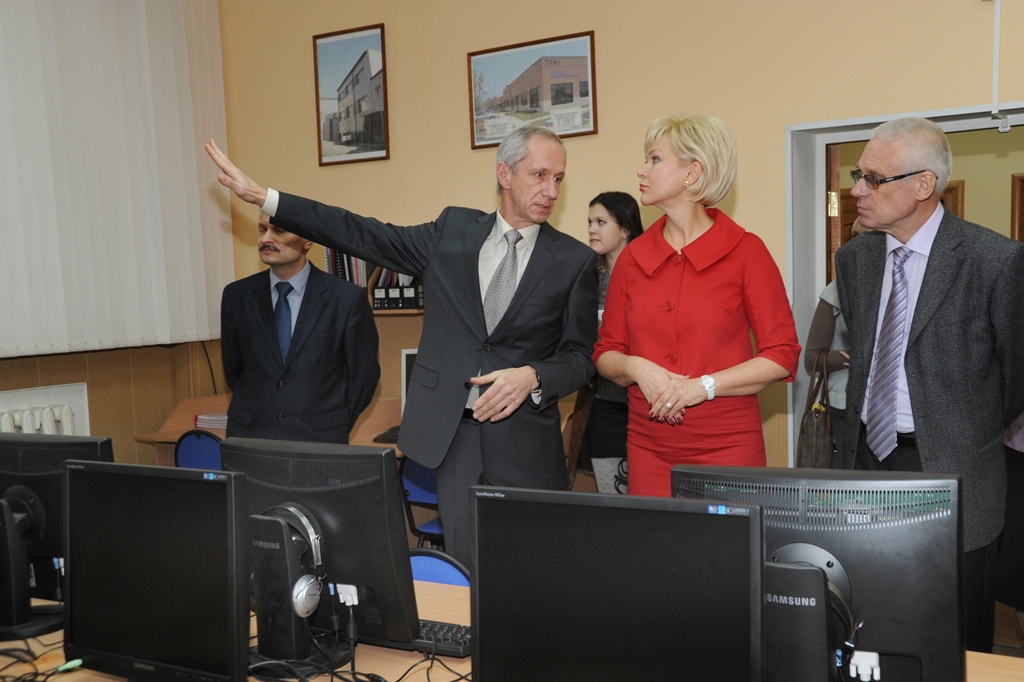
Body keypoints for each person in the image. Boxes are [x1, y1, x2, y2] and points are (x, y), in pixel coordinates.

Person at [206, 127, 597, 569]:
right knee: (467, 568)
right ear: (504, 174)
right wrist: (268, 199)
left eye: (558, 179)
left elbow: (581, 357)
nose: (551, 191)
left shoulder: (573, 261)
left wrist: (533, 376)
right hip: (455, 439)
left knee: (533, 569)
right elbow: (361, 232)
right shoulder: (451, 232)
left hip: (526, 442)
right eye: (539, 175)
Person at [835, 116, 1024, 652]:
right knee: (872, 623)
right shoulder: (854, 259)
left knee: (956, 639)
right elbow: (867, 353)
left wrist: (962, 430)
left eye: (874, 178)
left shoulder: (995, 261)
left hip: (954, 473)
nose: (858, 190)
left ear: (923, 185)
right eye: (858, 175)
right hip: (867, 464)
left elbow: (1016, 378)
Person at [593, 114, 800, 497]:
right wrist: (636, 367)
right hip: (648, 447)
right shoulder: (632, 258)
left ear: (692, 171)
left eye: (655, 159)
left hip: (728, 445)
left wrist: (703, 387)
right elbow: (606, 353)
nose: (642, 170)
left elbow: (781, 355)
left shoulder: (746, 252)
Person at [220, 212, 380, 443]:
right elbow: (234, 370)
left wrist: (334, 422)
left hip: (320, 439)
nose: (266, 239)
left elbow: (364, 376)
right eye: (262, 229)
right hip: (252, 436)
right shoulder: (236, 296)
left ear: (308, 240)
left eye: (279, 231)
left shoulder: (346, 299)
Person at [584, 192, 644, 493]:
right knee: (612, 498)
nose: (592, 230)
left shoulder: (648, 274)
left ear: (625, 229)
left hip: (646, 403)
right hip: (605, 403)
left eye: (601, 222)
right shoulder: (587, 278)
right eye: (590, 222)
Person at [802, 219, 866, 468]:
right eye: (855, 236)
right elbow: (811, 359)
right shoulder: (836, 290)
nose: (859, 243)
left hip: (893, 416)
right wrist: (855, 357)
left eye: (869, 236)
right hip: (842, 409)